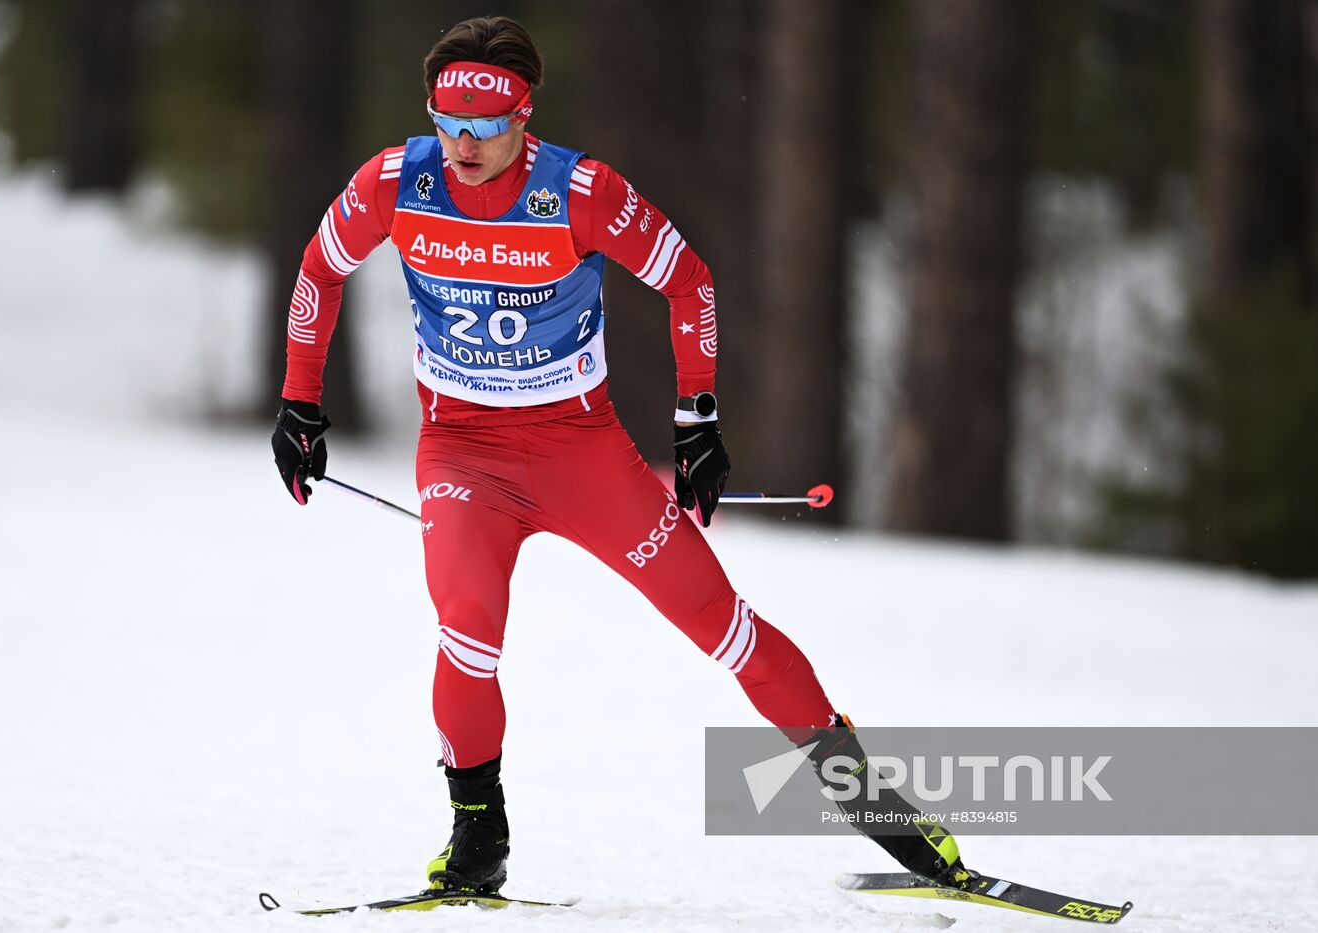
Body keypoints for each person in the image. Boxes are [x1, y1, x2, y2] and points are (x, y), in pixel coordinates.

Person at [270, 15, 970, 896]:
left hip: (582, 454)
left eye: (485, 126)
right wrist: (300, 403)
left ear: (524, 117)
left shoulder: (580, 192)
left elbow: (690, 281)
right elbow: (317, 270)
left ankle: (887, 815)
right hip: (464, 457)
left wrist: (697, 423)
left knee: (726, 628)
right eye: (447, 122)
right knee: (466, 627)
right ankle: (478, 835)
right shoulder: (394, 182)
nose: (463, 144)